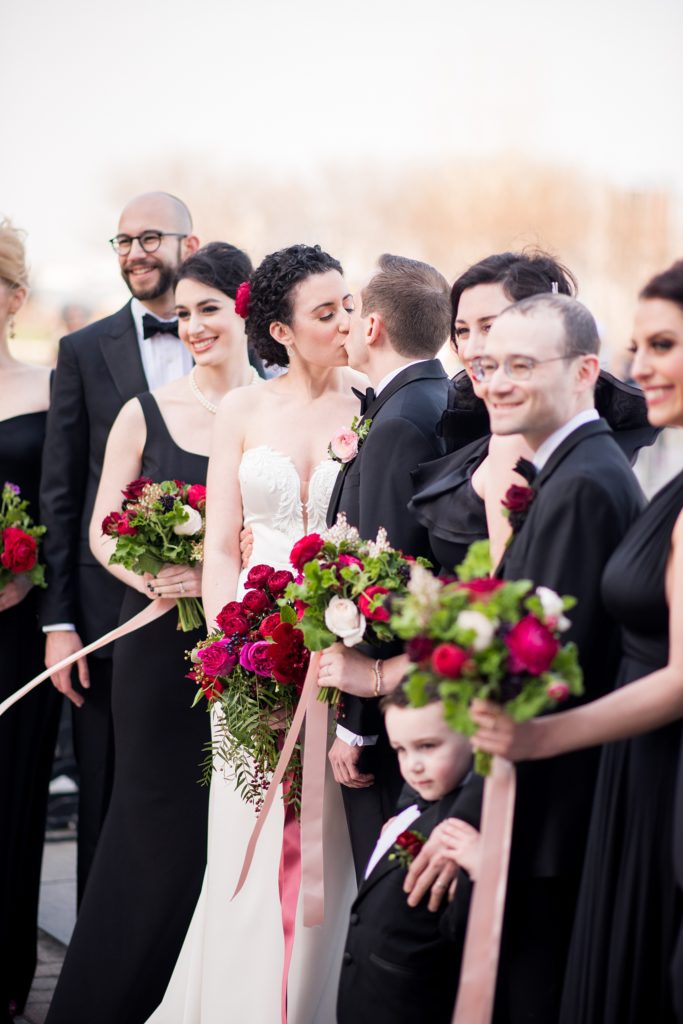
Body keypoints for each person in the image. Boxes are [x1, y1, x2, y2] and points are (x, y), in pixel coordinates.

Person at [147, 244, 362, 1024]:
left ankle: (313, 1002)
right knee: (250, 836)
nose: (346, 321)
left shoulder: (371, 401)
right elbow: (217, 546)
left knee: (328, 847)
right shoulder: (243, 409)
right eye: (326, 311)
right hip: (248, 656)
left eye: (347, 304)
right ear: (279, 327)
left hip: (342, 650)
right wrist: (225, 657)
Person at [44, 242, 258, 1024]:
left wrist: (218, 582)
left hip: (244, 655)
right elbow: (103, 527)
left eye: (209, 309)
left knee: (230, 822)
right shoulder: (145, 411)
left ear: (245, 309)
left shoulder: (272, 407)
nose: (194, 326)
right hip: (156, 645)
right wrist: (152, 575)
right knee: (149, 821)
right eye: (183, 314)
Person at [471, 261, 683, 1023]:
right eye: (486, 366)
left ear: (580, 371)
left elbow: (553, 661)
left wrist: (489, 779)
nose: (642, 367)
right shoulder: (578, 472)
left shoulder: (589, 482)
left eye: (519, 366)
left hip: (592, 783)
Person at [40, 192, 200, 901]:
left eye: (150, 237)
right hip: (106, 617)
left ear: (188, 247)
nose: (134, 251)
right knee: (105, 793)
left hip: (212, 611)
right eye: (123, 240)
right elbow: (61, 489)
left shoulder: (245, 348)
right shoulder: (82, 349)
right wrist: (58, 624)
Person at [410, 249, 657, 572]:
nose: (470, 350)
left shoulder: (519, 439)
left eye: (489, 327)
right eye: (462, 331)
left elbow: (512, 588)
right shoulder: (521, 428)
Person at [324, 253, 451, 878]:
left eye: (350, 309)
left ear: (373, 326)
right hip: (415, 689)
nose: (342, 322)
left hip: (392, 711)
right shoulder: (426, 398)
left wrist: (357, 726)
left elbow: (382, 585)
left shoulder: (400, 421)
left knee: (385, 876)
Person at [337, 685, 482, 1024]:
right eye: (400, 750)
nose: (413, 765)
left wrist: (481, 872)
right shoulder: (407, 811)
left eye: (428, 746)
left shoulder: (462, 836)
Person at [0, 219, 61, 1024]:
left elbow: (64, 506)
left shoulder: (52, 388)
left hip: (20, 628)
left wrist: (25, 570)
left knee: (13, 791)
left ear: (12, 297)